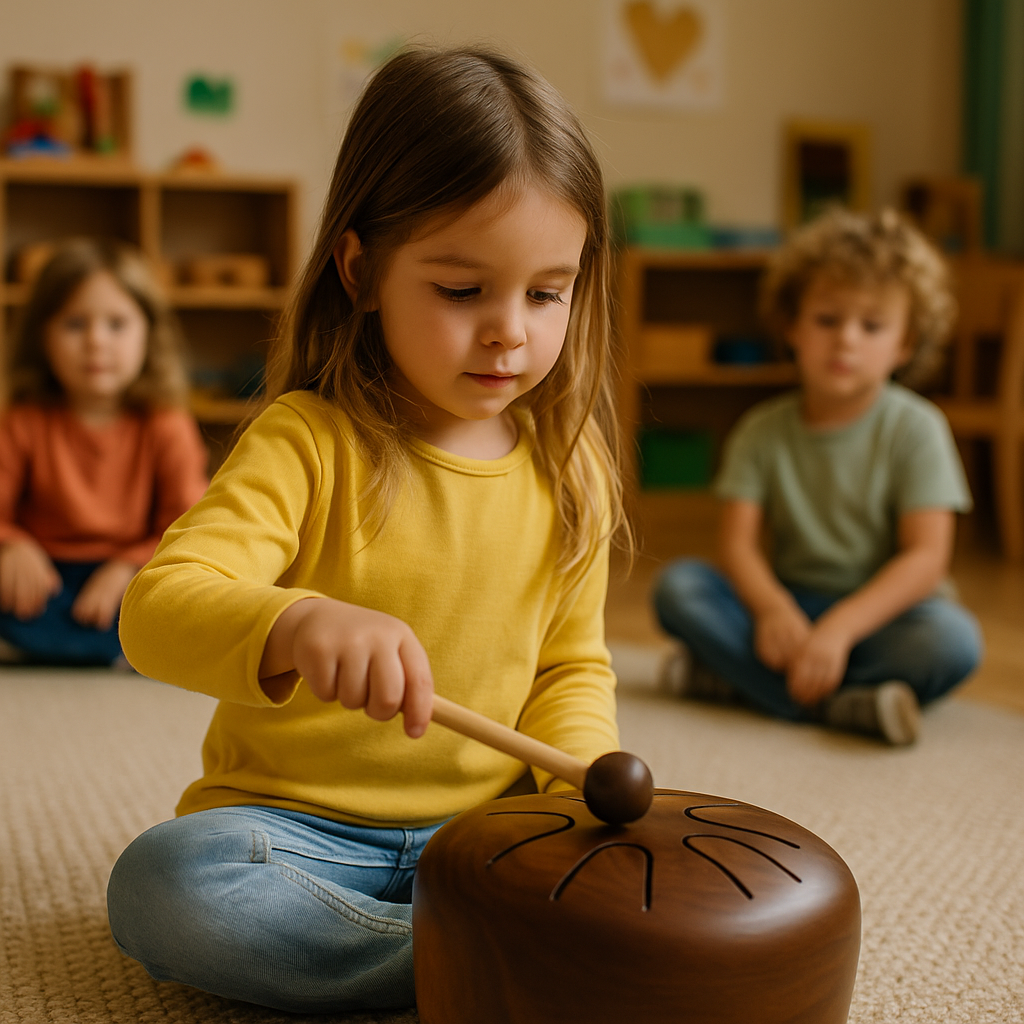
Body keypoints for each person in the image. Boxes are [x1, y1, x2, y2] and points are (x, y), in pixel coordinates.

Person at [106, 46, 627, 1014]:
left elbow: (569, 668)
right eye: (462, 290)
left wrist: (576, 789)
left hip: (484, 834)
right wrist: (296, 622)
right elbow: (155, 611)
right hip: (296, 834)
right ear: (362, 270)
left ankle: (478, 944)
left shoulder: (572, 470)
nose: (509, 331)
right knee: (161, 885)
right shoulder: (306, 441)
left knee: (631, 882)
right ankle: (474, 959)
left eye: (545, 292)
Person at [654, 208, 982, 746]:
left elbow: (926, 560)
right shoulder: (760, 430)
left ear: (905, 343)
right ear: (793, 326)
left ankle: (741, 684)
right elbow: (737, 545)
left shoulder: (919, 429)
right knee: (680, 588)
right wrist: (772, 609)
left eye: (871, 326)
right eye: (828, 320)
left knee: (953, 640)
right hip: (788, 610)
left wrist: (841, 628)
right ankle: (849, 704)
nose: (846, 339)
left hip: (878, 618)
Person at [0, 239, 208, 667]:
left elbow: (188, 526)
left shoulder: (166, 424)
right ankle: (120, 651)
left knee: (196, 586)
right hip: (39, 580)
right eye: (75, 324)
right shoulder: (22, 421)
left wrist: (127, 567)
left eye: (117, 324)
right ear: (43, 336)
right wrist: (12, 545)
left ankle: (112, 644)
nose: (96, 341)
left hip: (130, 578)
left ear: (149, 334)